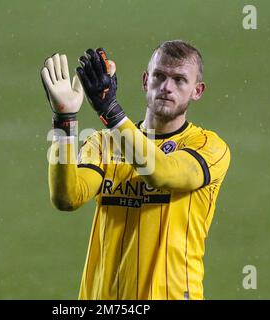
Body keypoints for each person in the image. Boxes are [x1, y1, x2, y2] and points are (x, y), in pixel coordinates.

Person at [41, 40, 231, 300]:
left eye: (179, 80)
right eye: (159, 76)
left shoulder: (209, 147)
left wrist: (110, 111)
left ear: (197, 91)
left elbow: (160, 173)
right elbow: (67, 197)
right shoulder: (103, 143)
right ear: (145, 81)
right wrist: (65, 119)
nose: (166, 87)